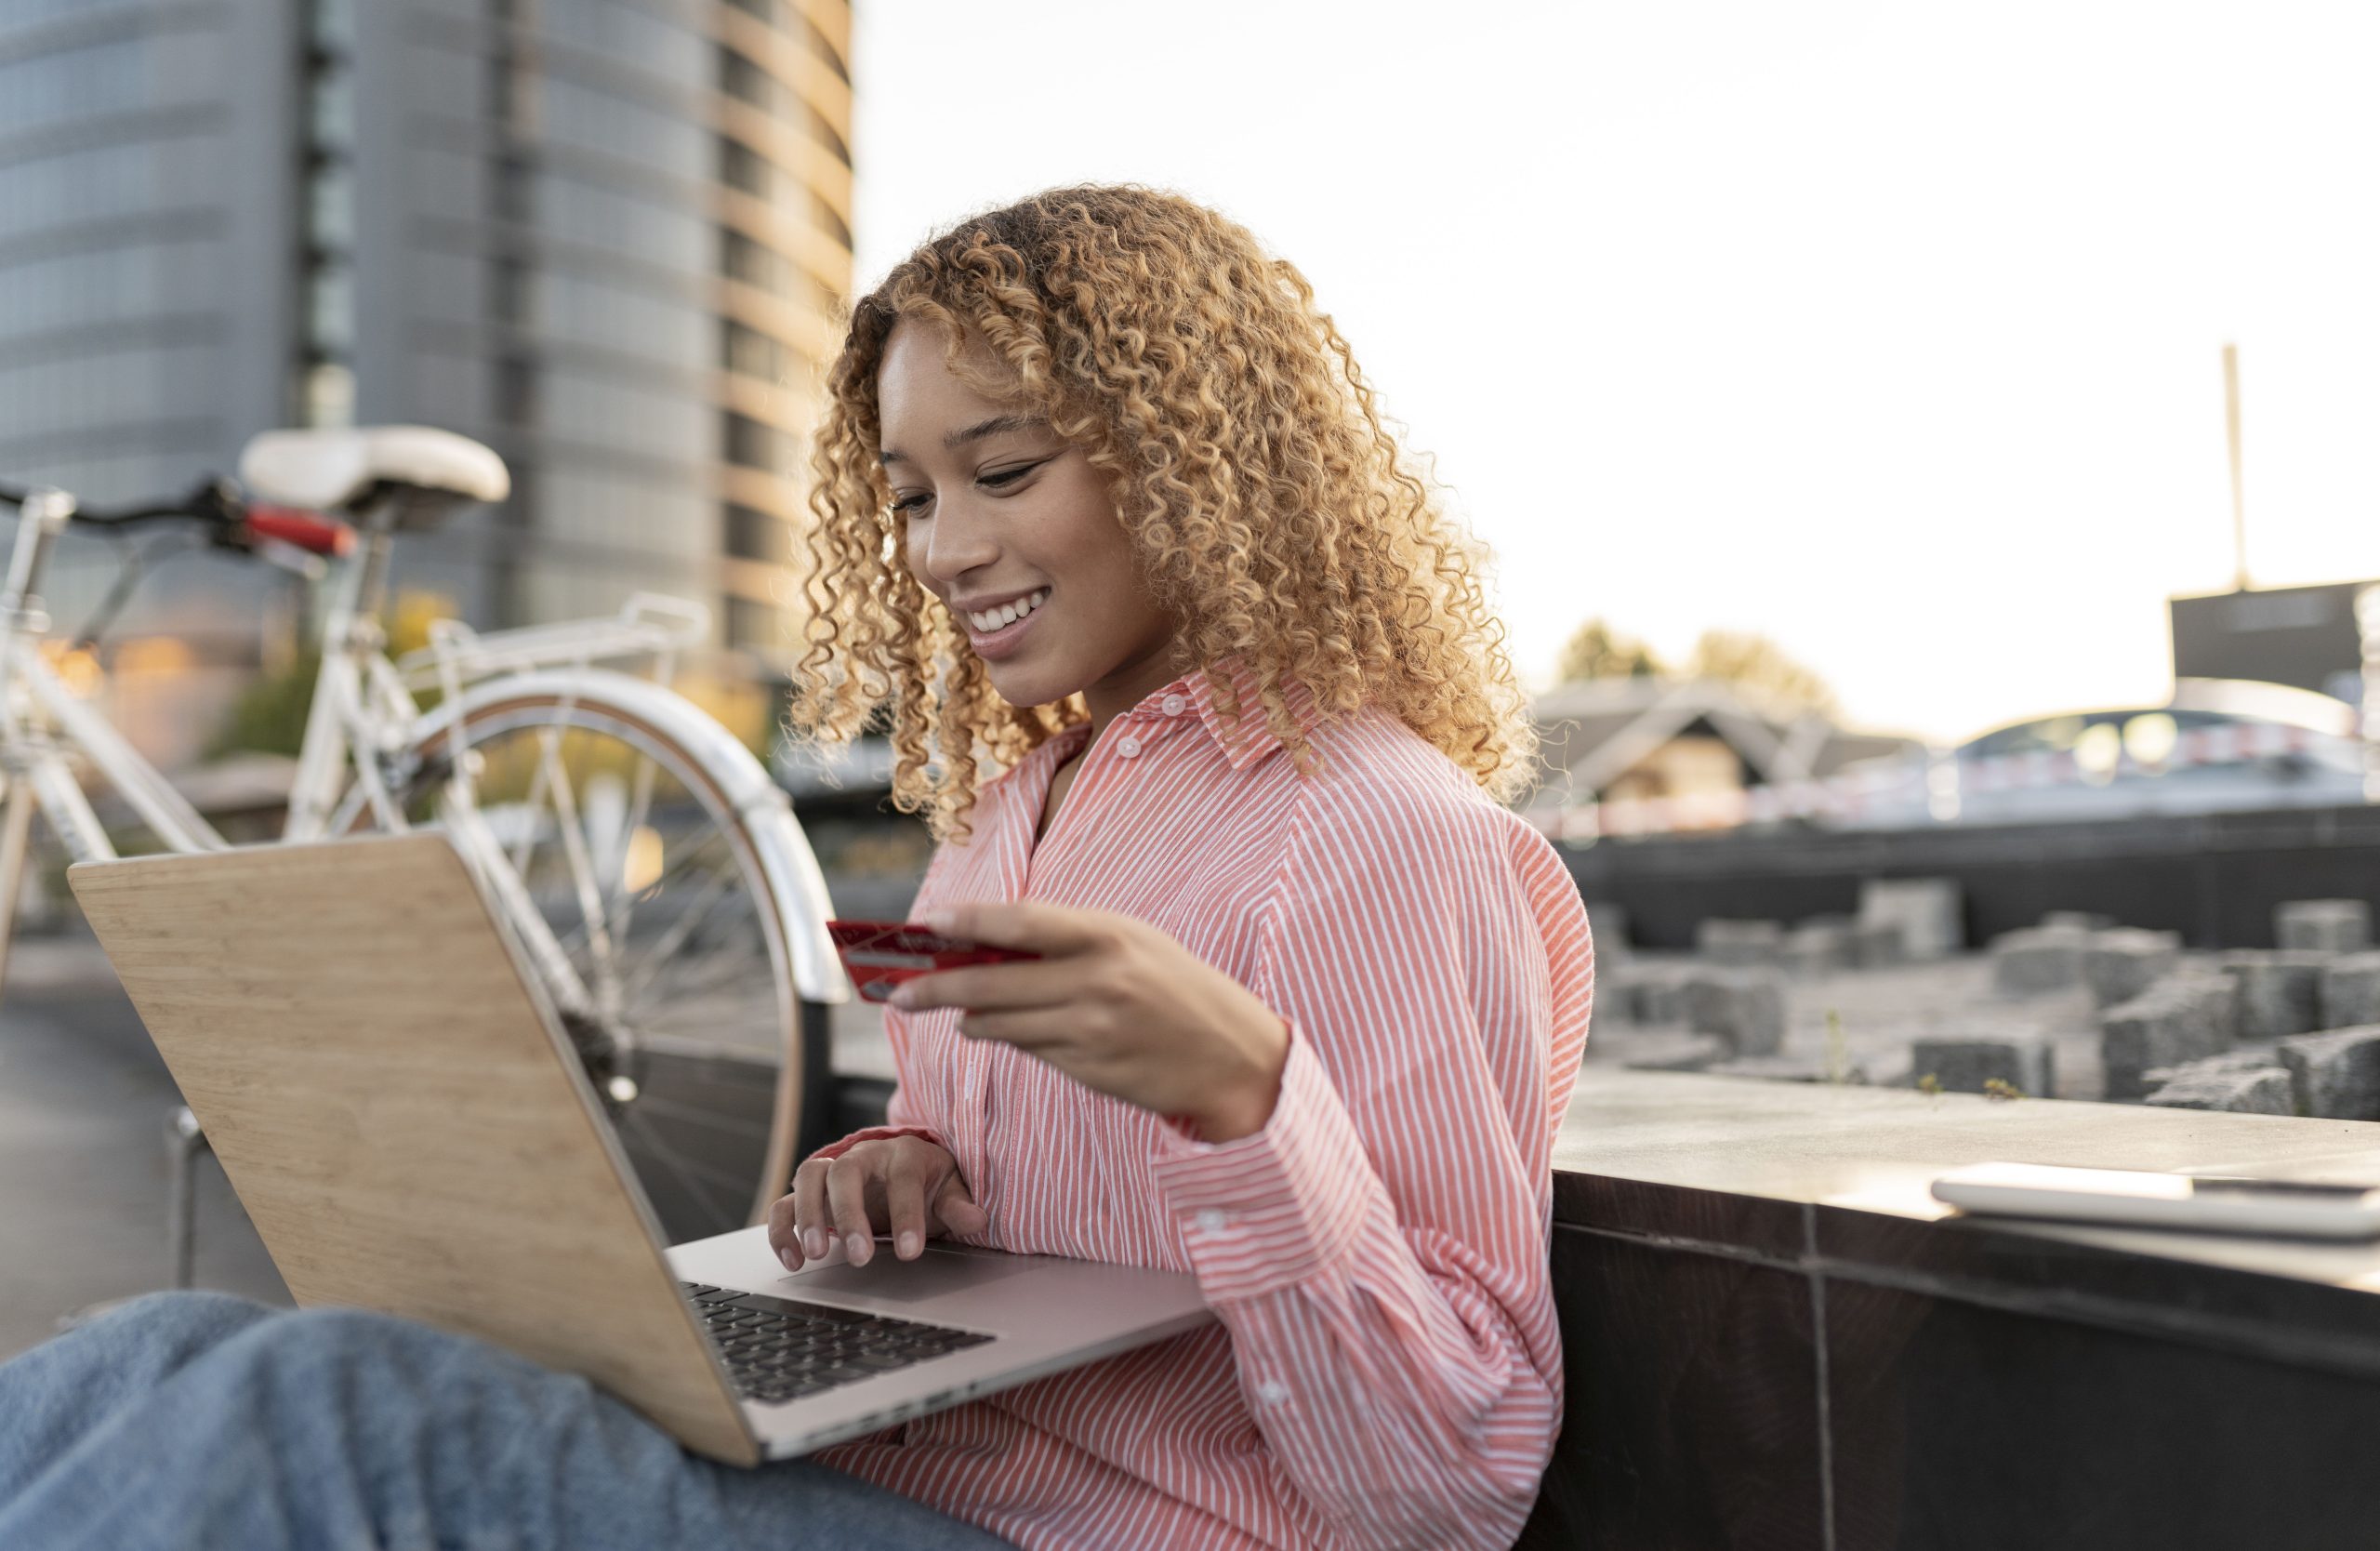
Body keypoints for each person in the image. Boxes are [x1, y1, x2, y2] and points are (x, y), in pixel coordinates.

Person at [0, 184, 1592, 1551]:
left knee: (320, 1404)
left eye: (1005, 469)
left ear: (1201, 461)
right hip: (877, 1470)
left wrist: (1248, 1098)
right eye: (907, 495)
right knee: (157, 1348)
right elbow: (1027, 1194)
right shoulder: (1013, 816)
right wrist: (891, 1170)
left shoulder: (1389, 840)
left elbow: (1445, 1494)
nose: (939, 547)